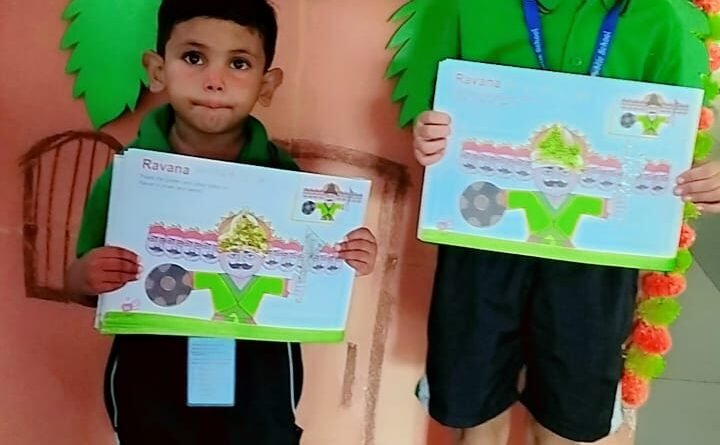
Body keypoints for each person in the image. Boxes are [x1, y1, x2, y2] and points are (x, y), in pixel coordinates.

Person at [64, 1, 378, 443]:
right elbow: (79, 284)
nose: (215, 80)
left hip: (259, 372)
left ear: (266, 85)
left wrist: (349, 254)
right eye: (194, 57)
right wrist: (87, 275)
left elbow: (311, 269)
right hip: (152, 366)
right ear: (157, 69)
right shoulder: (128, 176)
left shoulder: (287, 181)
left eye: (239, 63)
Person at [409, 1, 720, 444]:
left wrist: (706, 177)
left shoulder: (661, 20)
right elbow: (432, 112)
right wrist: (427, 132)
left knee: (568, 419)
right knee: (473, 409)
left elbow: (675, 144)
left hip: (597, 259)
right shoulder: (470, 7)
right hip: (481, 247)